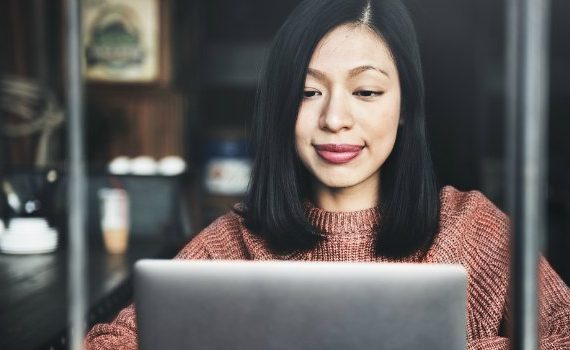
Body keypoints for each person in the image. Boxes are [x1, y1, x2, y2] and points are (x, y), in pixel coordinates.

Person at [85, 0, 570, 348]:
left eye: (366, 92)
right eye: (308, 91)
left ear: (405, 107)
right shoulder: (232, 245)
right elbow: (113, 340)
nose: (335, 118)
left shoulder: (473, 230)